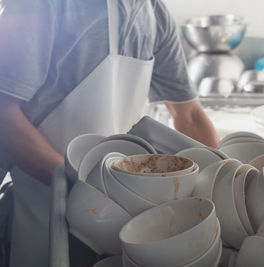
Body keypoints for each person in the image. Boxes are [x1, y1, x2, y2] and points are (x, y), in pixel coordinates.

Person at [0, 0, 219, 266]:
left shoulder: (152, 11)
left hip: (122, 209)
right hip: (46, 207)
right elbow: (4, 117)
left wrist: (222, 183)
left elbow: (190, 116)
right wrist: (89, 191)